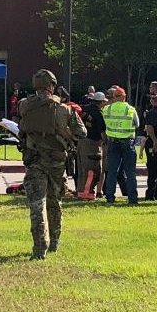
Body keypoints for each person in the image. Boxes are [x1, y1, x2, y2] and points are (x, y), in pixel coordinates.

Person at [18, 69, 86, 260]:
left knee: (36, 204)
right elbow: (82, 132)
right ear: (52, 85)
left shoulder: (24, 105)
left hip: (34, 160)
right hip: (56, 161)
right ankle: (54, 242)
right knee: (55, 201)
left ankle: (40, 247)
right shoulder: (65, 109)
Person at [101, 85, 139, 205]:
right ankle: (132, 199)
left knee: (112, 171)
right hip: (127, 142)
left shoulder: (107, 109)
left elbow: (104, 123)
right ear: (124, 97)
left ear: (114, 97)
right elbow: (137, 124)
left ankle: (110, 198)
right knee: (130, 172)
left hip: (112, 142)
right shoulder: (130, 109)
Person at [77, 91, 107, 198]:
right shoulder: (98, 114)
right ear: (101, 102)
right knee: (92, 169)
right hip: (93, 144)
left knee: (81, 168)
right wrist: (106, 142)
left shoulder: (84, 109)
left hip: (81, 141)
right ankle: (87, 193)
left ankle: (80, 191)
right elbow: (102, 131)